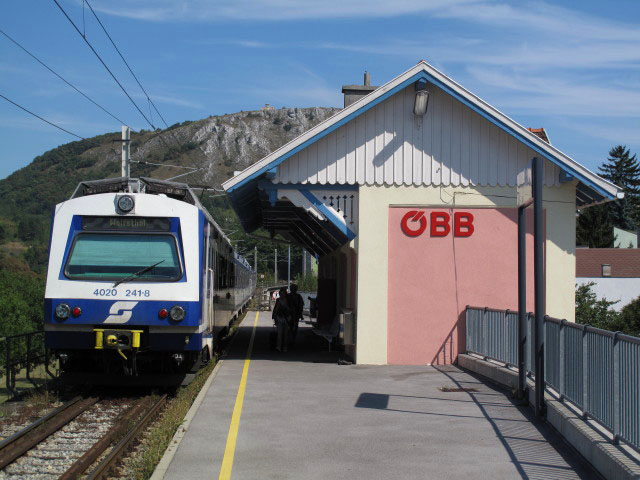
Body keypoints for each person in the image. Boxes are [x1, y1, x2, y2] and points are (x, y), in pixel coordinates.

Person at [272, 286, 291, 352]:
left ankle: (285, 347)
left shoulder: (288, 301)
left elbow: (290, 310)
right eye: (281, 294)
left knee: (285, 334)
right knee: (280, 334)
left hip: (287, 319)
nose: (282, 295)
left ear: (285, 294)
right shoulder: (278, 300)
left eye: (283, 294)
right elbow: (275, 310)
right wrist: (274, 318)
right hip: (280, 319)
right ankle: (279, 347)